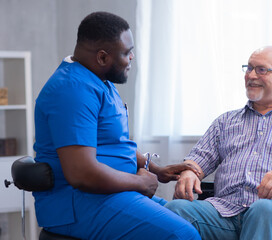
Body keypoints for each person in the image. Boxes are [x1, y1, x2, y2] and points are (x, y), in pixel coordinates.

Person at [33, 11, 201, 240]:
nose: (132, 58)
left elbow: (114, 142)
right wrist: (140, 183)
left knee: (197, 222)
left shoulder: (100, 81)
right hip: (78, 204)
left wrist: (156, 170)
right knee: (182, 235)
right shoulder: (72, 90)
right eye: (127, 52)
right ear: (102, 58)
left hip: (111, 195)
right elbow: (81, 174)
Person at [165, 46, 272, 240]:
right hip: (223, 212)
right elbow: (197, 160)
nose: (251, 75)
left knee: (263, 209)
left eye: (261, 70)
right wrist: (189, 171)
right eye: (249, 68)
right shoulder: (226, 122)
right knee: (175, 209)